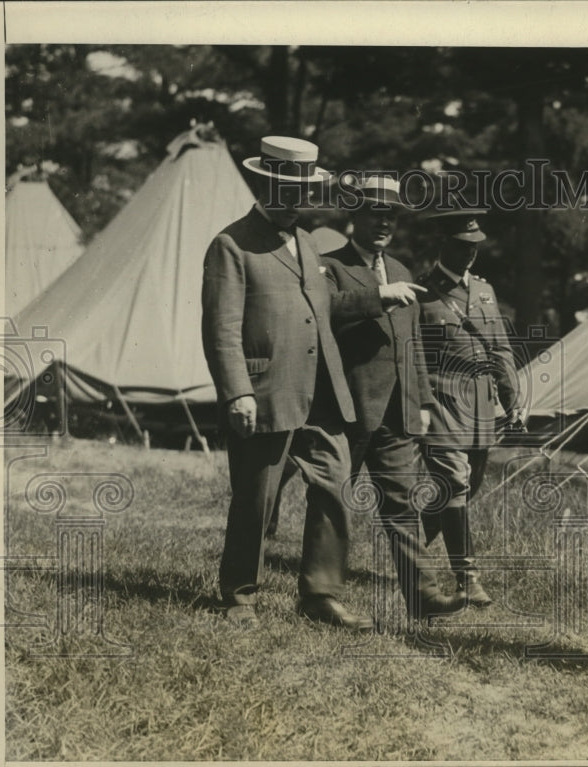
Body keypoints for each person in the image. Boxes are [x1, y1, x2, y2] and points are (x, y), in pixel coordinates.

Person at [201, 136, 374, 630]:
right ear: (264, 184)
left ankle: (321, 595)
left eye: (306, 189)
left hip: (321, 392)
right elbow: (221, 327)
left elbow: (323, 308)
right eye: (289, 188)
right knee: (257, 498)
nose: (299, 199)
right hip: (264, 393)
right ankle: (239, 597)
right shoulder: (231, 245)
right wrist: (237, 391)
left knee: (336, 485)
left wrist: (378, 297)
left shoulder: (310, 243)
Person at [322, 175, 466, 620]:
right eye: (375, 214)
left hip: (397, 412)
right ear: (354, 217)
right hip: (346, 407)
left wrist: (422, 401)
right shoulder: (327, 266)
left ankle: (422, 595)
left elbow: (413, 344)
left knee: (403, 501)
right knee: (332, 499)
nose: (385, 223)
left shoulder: (403, 270)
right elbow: (325, 311)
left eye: (392, 216)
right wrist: (378, 296)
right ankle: (320, 595)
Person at [415, 209, 523, 607]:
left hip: (480, 407)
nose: (470, 254)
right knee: (455, 484)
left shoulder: (484, 292)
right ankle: (467, 578)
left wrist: (512, 398)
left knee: (466, 487)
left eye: (475, 246)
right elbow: (413, 359)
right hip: (441, 403)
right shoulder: (422, 293)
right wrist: (419, 405)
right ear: (443, 244)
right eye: (462, 246)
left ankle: (406, 545)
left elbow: (500, 349)